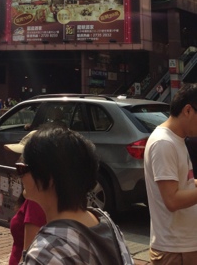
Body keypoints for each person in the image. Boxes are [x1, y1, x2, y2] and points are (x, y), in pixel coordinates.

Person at [19, 126, 134, 265]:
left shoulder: (46, 252)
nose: (19, 175)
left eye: (22, 168)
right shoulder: (103, 221)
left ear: (49, 179)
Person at [144, 83, 197, 265]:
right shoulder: (164, 143)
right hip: (175, 250)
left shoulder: (177, 139)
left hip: (183, 245)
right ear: (188, 110)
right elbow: (172, 200)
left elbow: (183, 183)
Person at [4, 131, 46, 265]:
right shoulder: (35, 196)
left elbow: (29, 254)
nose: (19, 173)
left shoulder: (36, 201)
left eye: (23, 166)